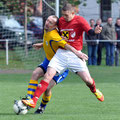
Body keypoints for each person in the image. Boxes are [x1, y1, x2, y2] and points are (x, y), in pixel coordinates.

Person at [22, 3, 104, 110]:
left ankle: (94, 90)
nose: (64, 17)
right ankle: (33, 101)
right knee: (48, 75)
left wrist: (95, 32)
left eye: (66, 15)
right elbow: (55, 38)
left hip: (76, 55)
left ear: (73, 13)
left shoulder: (80, 20)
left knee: (88, 80)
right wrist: (42, 44)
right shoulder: (60, 21)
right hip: (61, 53)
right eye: (63, 15)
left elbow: (90, 32)